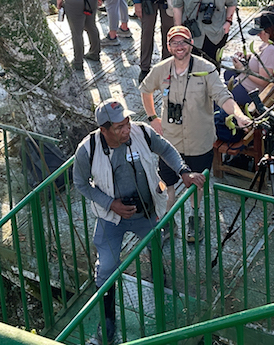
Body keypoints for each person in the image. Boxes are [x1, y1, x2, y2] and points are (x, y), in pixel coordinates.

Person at [73, 97, 205, 345]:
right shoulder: (87, 149)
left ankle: (159, 276)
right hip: (111, 218)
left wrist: (183, 171)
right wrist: (111, 204)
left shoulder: (142, 133)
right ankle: (107, 324)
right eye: (119, 127)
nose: (126, 129)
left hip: (146, 212)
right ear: (104, 130)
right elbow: (80, 184)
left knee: (155, 246)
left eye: (127, 122)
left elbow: (165, 149)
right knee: (106, 270)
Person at [140, 25, 249, 241]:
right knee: (167, 185)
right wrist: (153, 118)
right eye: (175, 42)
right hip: (170, 142)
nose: (179, 47)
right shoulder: (161, 69)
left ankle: (194, 218)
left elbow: (222, 96)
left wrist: (238, 115)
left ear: (191, 43)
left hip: (199, 142)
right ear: (169, 46)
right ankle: (167, 221)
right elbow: (145, 90)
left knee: (197, 185)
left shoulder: (206, 68)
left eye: (184, 42)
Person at [221, 11, 274, 119]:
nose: (258, 35)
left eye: (260, 32)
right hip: (247, 84)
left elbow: (264, 81)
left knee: (217, 95)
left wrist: (243, 69)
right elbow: (265, 62)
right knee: (228, 74)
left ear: (269, 31)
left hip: (250, 91)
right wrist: (247, 57)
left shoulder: (272, 51)